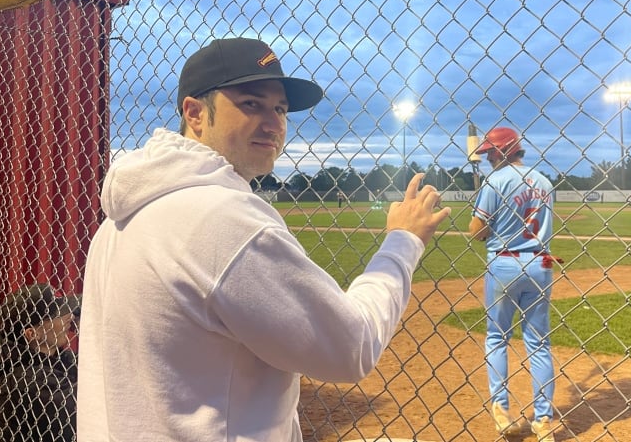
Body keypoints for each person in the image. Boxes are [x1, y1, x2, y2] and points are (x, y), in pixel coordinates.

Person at [77, 36, 450, 441]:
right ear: (196, 113)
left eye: (280, 109)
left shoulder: (119, 218)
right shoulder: (224, 218)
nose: (274, 124)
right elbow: (352, 346)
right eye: (251, 104)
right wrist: (402, 242)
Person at [469, 126, 557, 441]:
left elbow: (477, 231)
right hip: (541, 263)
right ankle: (544, 420)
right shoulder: (545, 181)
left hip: (504, 263)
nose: (487, 157)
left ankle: (501, 411)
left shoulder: (495, 181)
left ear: (506, 151)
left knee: (496, 338)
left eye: (491, 151)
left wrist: (479, 212)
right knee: (539, 343)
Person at [0, 283, 80, 442]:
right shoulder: (26, 380)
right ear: (32, 333)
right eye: (58, 314)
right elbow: (86, 411)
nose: (69, 316)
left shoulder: (59, 360)